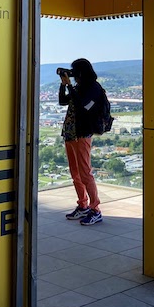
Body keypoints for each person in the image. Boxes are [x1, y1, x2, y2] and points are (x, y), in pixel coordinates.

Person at [59, 58, 103, 225]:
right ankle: (83, 205)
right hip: (70, 133)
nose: (73, 75)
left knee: (85, 173)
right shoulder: (78, 87)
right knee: (75, 173)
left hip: (82, 134)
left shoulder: (93, 88)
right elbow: (63, 101)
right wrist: (63, 85)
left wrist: (70, 86)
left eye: (75, 71)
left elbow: (82, 107)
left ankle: (95, 209)